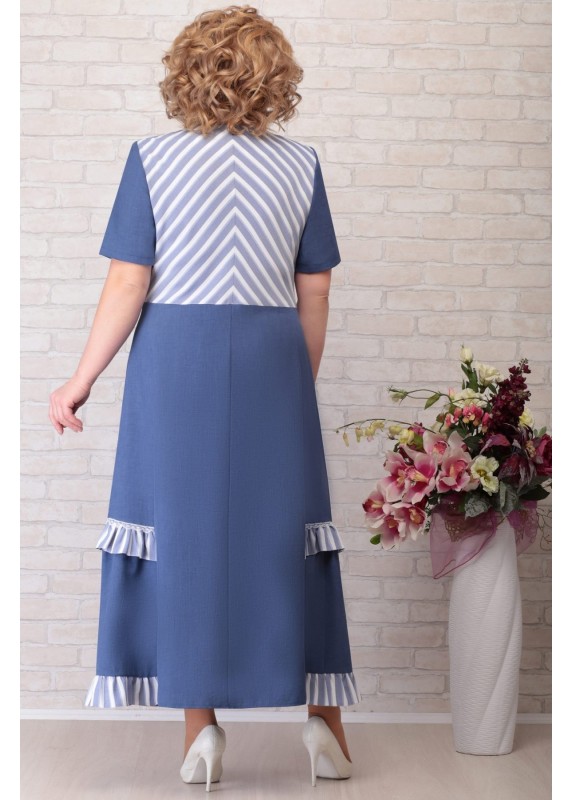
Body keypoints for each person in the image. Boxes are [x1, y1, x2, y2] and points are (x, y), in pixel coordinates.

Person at [48, 4, 361, 790]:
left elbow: (129, 283)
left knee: (183, 533)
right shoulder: (301, 166)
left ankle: (202, 733)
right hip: (272, 354)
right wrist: (295, 383)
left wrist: (80, 379)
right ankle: (325, 727)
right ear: (275, 77)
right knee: (288, 532)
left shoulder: (152, 159)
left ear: (187, 72)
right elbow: (315, 291)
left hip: (175, 360)